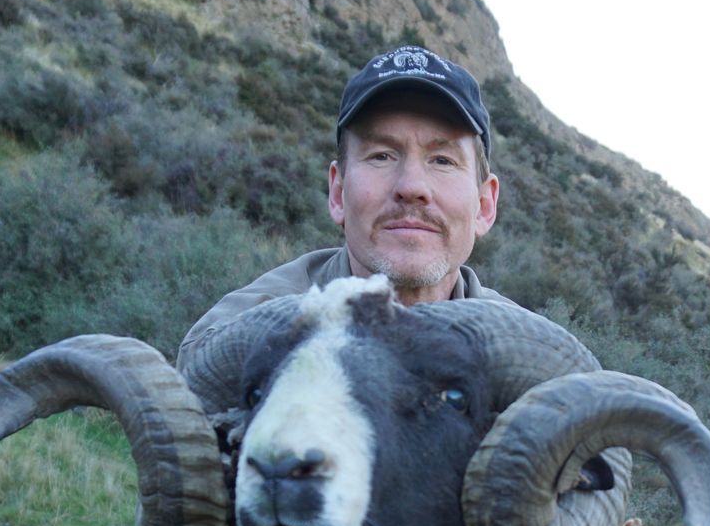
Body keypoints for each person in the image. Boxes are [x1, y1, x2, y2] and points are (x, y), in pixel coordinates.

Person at [179, 45, 516, 370]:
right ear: (338, 193)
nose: (411, 187)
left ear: (484, 205)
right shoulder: (232, 341)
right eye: (381, 156)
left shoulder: (534, 365)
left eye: (442, 160)